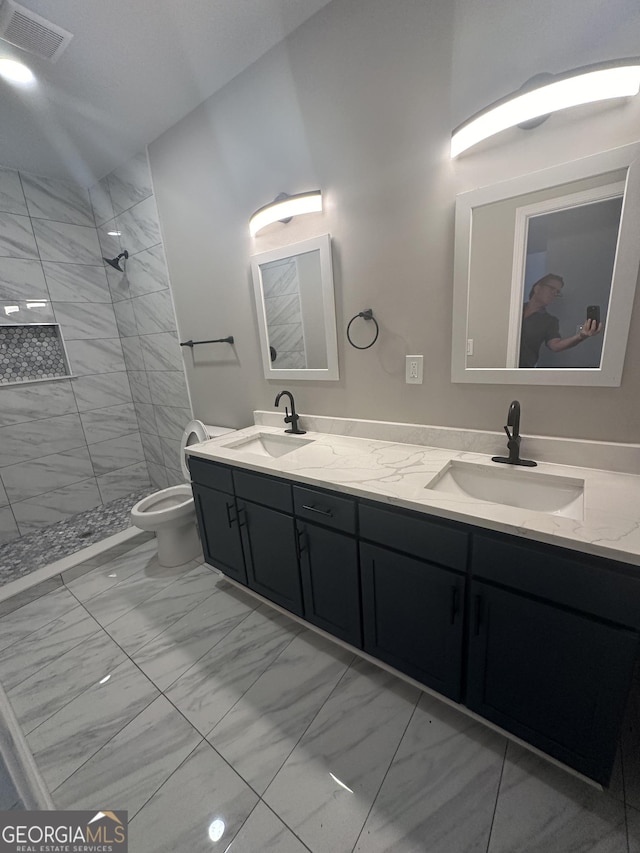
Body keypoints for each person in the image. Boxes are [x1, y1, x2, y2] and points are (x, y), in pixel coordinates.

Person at [519, 273, 603, 368]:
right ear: (537, 288)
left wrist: (581, 336)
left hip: (524, 371)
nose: (554, 294)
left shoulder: (549, 321)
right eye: (552, 289)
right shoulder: (515, 310)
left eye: (557, 292)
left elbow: (555, 346)